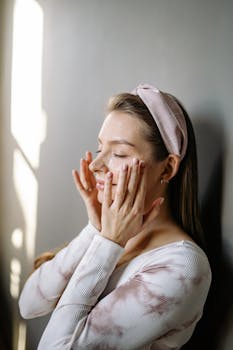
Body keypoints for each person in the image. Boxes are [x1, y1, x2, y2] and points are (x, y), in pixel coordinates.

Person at [19, 84, 211, 350]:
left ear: (167, 168)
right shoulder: (114, 236)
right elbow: (29, 304)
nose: (97, 166)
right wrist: (95, 231)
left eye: (119, 153)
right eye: (100, 150)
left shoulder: (182, 267)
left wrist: (109, 242)